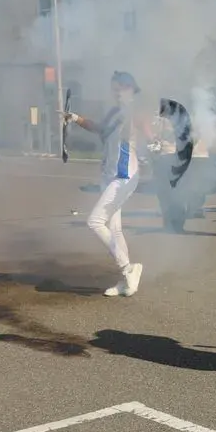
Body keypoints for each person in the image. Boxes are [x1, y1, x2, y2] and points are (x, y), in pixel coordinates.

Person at [60, 71, 153, 296]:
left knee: (94, 221)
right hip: (109, 175)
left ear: (130, 89)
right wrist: (75, 118)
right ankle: (126, 280)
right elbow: (100, 129)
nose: (115, 93)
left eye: (119, 88)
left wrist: (154, 145)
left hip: (124, 176)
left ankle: (128, 268)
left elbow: (150, 135)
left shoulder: (135, 111)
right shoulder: (114, 112)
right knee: (115, 229)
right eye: (113, 88)